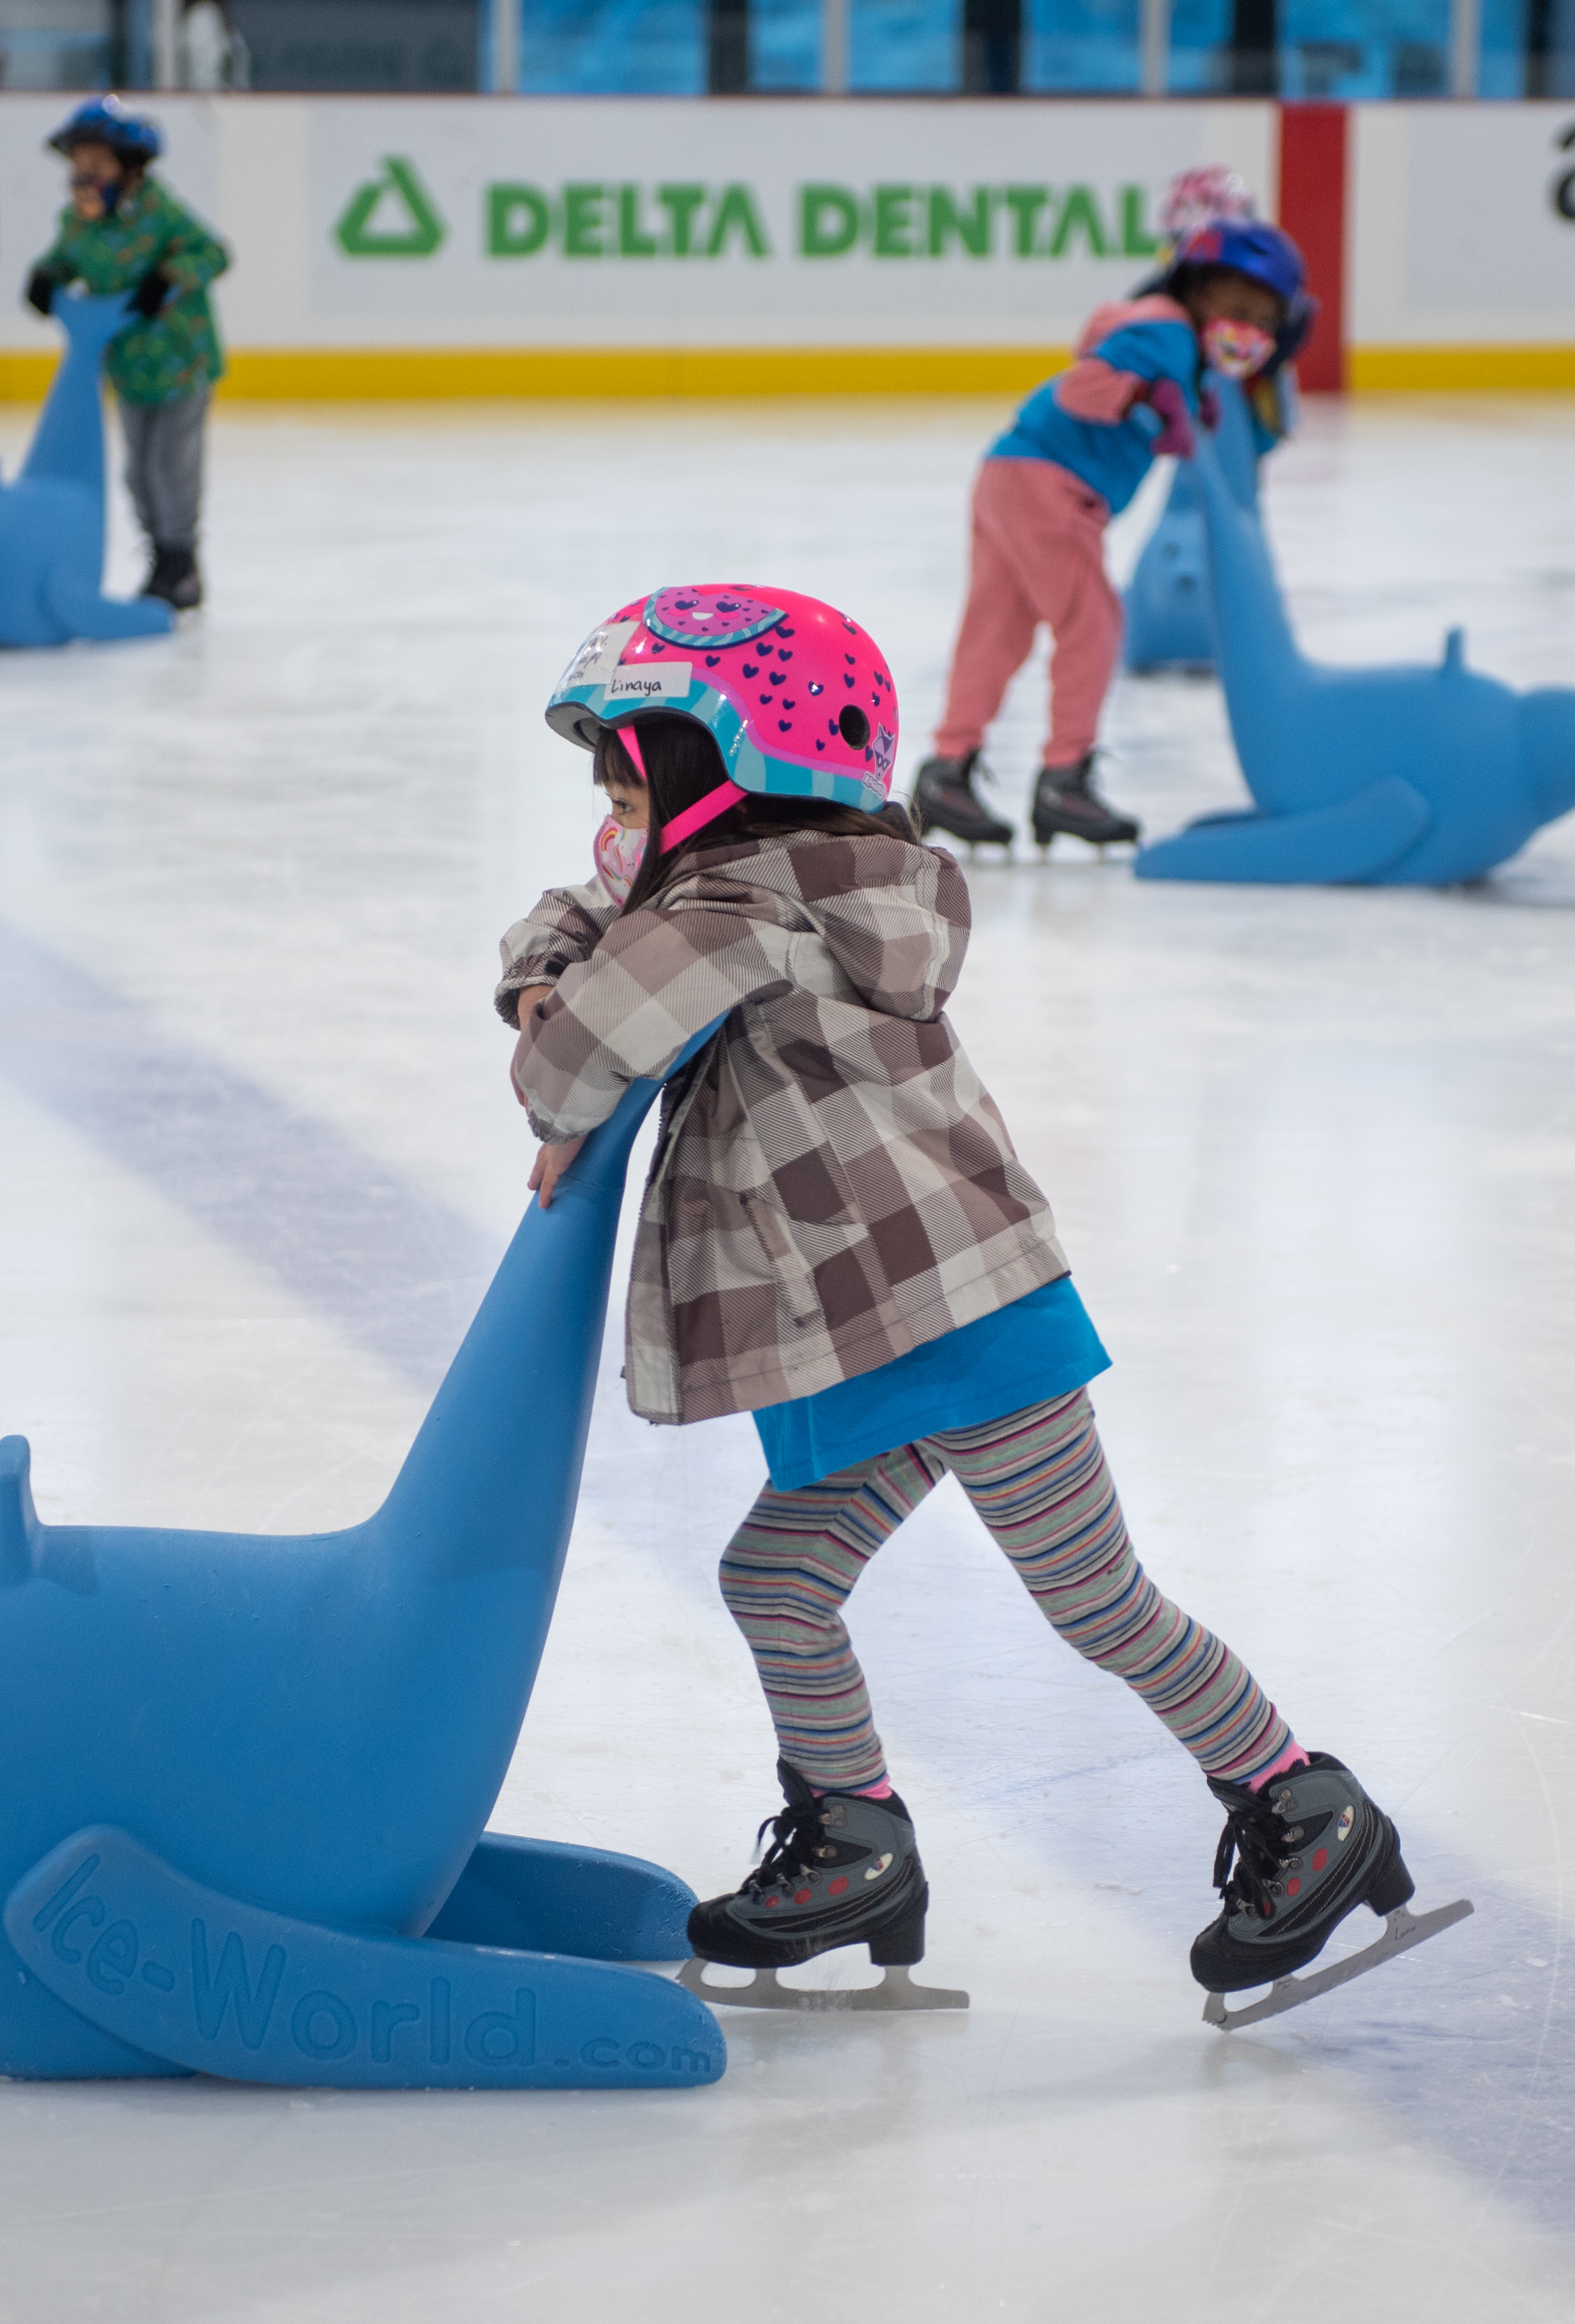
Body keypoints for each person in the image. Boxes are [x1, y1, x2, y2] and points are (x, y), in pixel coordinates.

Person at [494, 584, 1445, 2015]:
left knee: (1094, 1600)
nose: (606, 802)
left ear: (717, 762)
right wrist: (559, 972)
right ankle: (857, 1840)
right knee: (778, 1578)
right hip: (883, 1316)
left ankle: (1304, 1807)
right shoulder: (778, 880)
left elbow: (563, 1070)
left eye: (625, 765)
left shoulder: (735, 910)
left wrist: (546, 1006)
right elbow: (574, 925)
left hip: (958, 1319)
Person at [911, 213, 1316, 855]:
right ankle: (1063, 776)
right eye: (1236, 307)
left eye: (1263, 318)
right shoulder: (1168, 331)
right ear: (1197, 290)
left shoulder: (1177, 344)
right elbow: (1082, 387)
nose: (1249, 326)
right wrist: (1142, 396)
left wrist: (1177, 399)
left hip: (1009, 470)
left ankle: (946, 768)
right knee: (1093, 624)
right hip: (1052, 483)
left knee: (997, 630)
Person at [24, 98, 230, 614]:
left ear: (132, 170)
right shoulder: (77, 223)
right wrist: (46, 277)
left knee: (171, 466)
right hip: (129, 368)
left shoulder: (161, 212)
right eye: (78, 169)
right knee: (138, 472)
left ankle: (181, 562)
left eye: (97, 167)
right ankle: (159, 553)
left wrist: (168, 278)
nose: (84, 179)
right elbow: (64, 260)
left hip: (182, 361)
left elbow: (213, 252)